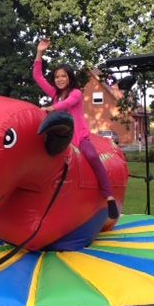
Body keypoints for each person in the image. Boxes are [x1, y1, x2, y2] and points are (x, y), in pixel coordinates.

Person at [33, 38, 119, 219]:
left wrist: (49, 108)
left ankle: (109, 196)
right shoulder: (54, 94)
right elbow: (38, 77)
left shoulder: (76, 93)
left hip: (79, 139)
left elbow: (67, 104)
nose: (60, 79)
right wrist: (40, 53)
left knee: (93, 157)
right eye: (57, 77)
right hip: (61, 141)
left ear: (69, 78)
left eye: (63, 76)